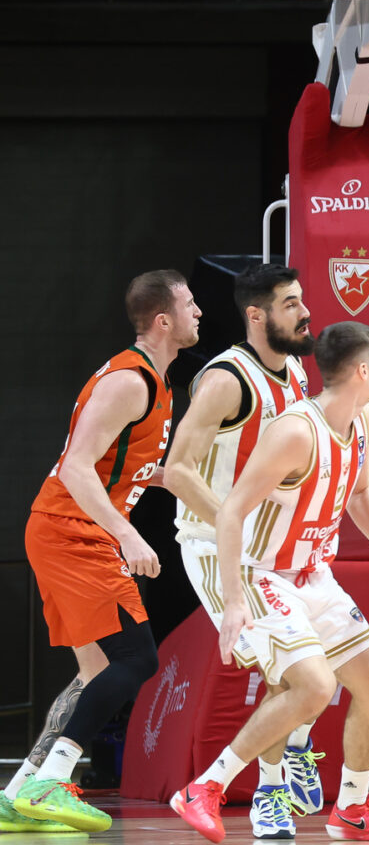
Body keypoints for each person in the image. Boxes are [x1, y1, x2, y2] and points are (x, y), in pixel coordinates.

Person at [170, 321, 369, 844]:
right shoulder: (295, 431)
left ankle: (351, 810)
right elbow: (233, 511)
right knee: (313, 686)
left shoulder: (363, 419)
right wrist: (234, 600)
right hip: (264, 571)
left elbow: (361, 493)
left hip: (314, 574)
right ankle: (206, 787)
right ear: (362, 369)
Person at [7, 271, 200, 834]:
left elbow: (117, 464)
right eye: (189, 305)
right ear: (162, 320)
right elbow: (75, 467)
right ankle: (54, 781)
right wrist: (129, 534)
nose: (199, 313)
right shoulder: (131, 381)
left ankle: (20, 790)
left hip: (70, 529)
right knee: (135, 660)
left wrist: (169, 478)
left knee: (95, 673)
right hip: (72, 531)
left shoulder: (156, 382)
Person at [165, 263, 326, 840]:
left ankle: (296, 755)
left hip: (282, 547)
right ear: (256, 315)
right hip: (217, 546)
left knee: (331, 665)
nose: (305, 312)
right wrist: (241, 531)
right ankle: (267, 794)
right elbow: (176, 471)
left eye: (302, 300)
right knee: (294, 678)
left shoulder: (300, 374)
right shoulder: (226, 379)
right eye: (290, 304)